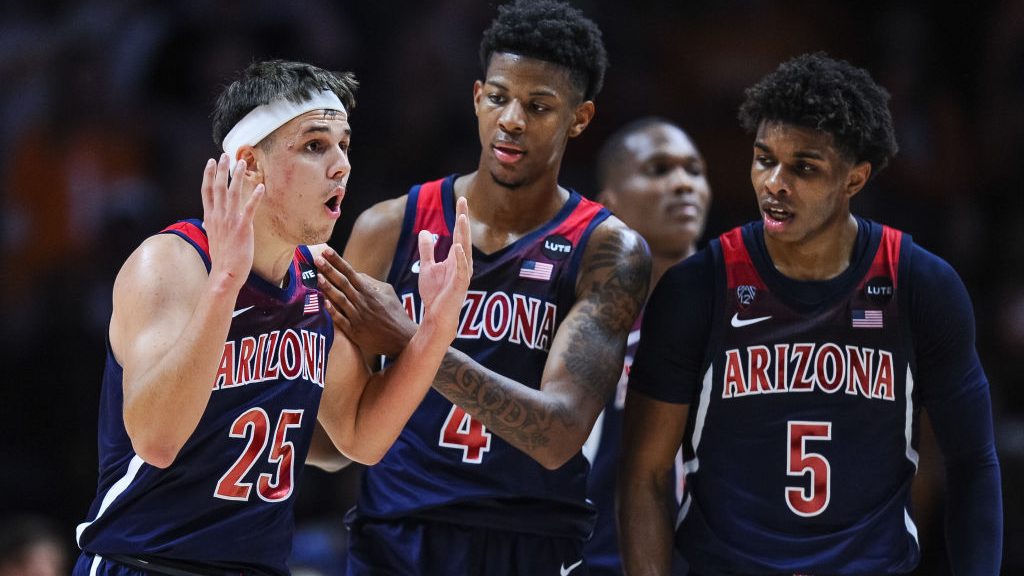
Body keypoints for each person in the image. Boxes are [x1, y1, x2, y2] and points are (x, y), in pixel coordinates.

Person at [73, 59, 472, 576]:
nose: (341, 165)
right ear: (250, 166)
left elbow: (357, 437)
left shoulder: (318, 279)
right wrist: (226, 284)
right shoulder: (171, 264)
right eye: (314, 146)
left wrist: (434, 331)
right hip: (145, 562)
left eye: (344, 145)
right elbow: (156, 440)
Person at [617, 51, 1003, 575]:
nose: (775, 182)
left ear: (855, 179)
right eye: (764, 158)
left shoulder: (921, 285)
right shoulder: (699, 288)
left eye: (804, 167)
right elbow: (645, 476)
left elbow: (972, 463)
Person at [311, 1, 650, 574]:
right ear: (475, 97)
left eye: (539, 105)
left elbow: (559, 433)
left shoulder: (607, 250)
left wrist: (413, 341)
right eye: (498, 97)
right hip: (395, 537)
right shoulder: (387, 227)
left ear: (579, 118)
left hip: (528, 540)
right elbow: (330, 438)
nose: (512, 119)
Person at [581, 117, 711, 576]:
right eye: (658, 170)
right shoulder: (585, 325)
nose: (682, 184)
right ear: (609, 203)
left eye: (693, 170)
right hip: (601, 562)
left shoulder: (745, 317)